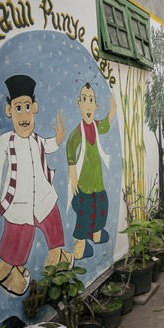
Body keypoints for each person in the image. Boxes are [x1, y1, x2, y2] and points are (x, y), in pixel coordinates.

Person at [0, 74, 73, 296]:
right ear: (9, 111)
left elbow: (48, 146)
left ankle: (58, 257)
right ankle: (5, 269)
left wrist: (58, 139)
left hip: (45, 200)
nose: (23, 114)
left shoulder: (37, 140)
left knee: (55, 233)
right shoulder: (6, 142)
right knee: (17, 242)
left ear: (34, 107)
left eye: (26, 107)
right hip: (19, 206)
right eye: (18, 108)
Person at [67, 82, 117, 260]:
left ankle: (96, 233)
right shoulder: (77, 133)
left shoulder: (96, 126)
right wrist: (73, 176)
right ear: (79, 104)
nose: (88, 105)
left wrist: (112, 109)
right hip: (84, 183)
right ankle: (80, 242)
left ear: (96, 105)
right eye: (84, 100)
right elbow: (70, 149)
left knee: (102, 205)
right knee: (84, 210)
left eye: (91, 100)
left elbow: (106, 122)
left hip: (98, 182)